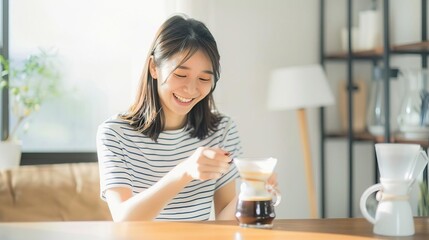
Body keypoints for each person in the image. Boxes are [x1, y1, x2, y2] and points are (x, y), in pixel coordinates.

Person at [96, 14, 243, 222]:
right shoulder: (114, 134)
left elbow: (225, 222)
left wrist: (256, 192)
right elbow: (124, 221)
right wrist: (184, 171)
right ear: (154, 67)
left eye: (204, 78)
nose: (191, 89)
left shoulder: (222, 130)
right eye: (181, 75)